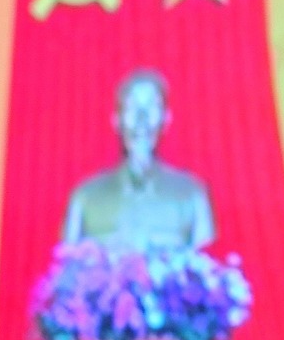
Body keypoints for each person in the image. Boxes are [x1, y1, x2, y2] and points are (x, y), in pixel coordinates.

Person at [60, 68, 215, 252]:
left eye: (152, 107)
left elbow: (206, 264)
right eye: (132, 108)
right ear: (116, 120)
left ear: (166, 119)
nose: (142, 119)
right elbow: (66, 263)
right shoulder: (86, 197)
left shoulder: (191, 194)